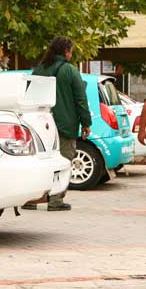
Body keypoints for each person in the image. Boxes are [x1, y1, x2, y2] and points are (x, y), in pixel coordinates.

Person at [22, 37, 92, 211]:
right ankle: (55, 200)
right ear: (66, 52)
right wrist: (86, 123)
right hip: (64, 125)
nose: (71, 54)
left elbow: (29, 96)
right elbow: (81, 100)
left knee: (39, 162)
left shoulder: (39, 70)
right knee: (64, 161)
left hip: (40, 125)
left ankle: (32, 199)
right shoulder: (70, 70)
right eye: (71, 51)